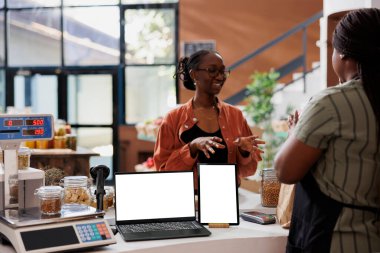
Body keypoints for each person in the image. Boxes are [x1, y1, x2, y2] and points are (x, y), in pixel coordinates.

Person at [274, 8, 380, 253]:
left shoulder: (332, 102)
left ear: (342, 53)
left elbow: (285, 171)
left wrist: (295, 133)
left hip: (336, 240)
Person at [153, 49, 264, 189]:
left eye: (222, 71)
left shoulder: (235, 115)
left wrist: (244, 152)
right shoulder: (173, 118)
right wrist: (192, 147)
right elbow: (162, 172)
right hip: (189, 201)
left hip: (227, 198)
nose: (220, 76)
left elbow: (248, 170)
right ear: (194, 74)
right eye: (212, 70)